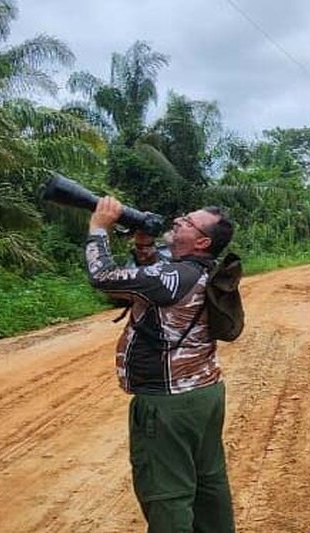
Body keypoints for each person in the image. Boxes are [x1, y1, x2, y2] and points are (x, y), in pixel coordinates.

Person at [85, 197, 236, 533]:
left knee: (167, 495)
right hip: (204, 394)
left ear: (202, 242)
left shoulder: (173, 277)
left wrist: (99, 227)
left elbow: (103, 276)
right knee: (208, 482)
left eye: (188, 221)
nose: (179, 219)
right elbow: (160, 275)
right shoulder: (198, 270)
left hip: (168, 405)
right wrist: (143, 244)